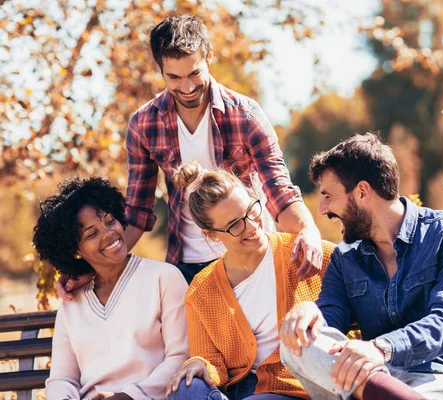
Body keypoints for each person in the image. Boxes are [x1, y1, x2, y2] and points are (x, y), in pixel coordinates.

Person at [57, 15, 322, 295]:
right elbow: (137, 212)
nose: (187, 87)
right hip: (188, 266)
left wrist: (308, 229)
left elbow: (278, 191)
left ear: (209, 56)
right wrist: (92, 268)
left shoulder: (246, 115)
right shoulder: (145, 124)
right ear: (160, 70)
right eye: (174, 77)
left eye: (194, 73)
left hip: (249, 254)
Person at [279, 133, 443, 400]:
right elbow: (329, 322)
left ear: (362, 191)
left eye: (328, 195)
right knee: (296, 344)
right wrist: (308, 313)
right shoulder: (345, 259)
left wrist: (381, 348)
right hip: (378, 379)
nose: (323, 209)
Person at [162, 164, 334, 400]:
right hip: (240, 391)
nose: (252, 226)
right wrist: (199, 364)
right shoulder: (201, 290)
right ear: (211, 235)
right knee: (185, 389)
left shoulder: (308, 252)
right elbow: (211, 362)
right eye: (234, 225)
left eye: (251, 210)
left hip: (297, 387)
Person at [32, 177, 189, 400]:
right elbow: (62, 378)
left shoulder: (163, 277)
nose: (108, 233)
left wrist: (128, 396)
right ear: (75, 250)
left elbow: (182, 356)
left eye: (110, 220)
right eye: (91, 234)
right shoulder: (72, 301)